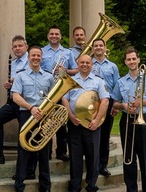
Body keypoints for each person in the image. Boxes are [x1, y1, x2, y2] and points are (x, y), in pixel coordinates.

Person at [113, 48, 146, 192]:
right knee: (128, 160)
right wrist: (122, 105)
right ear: (125, 62)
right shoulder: (121, 81)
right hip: (127, 121)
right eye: (128, 59)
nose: (131, 61)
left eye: (134, 59)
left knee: (144, 160)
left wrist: (142, 102)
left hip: (144, 121)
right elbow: (114, 103)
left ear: (138, 60)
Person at [61, 54, 110, 192]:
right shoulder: (70, 80)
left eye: (87, 62)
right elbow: (64, 99)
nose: (84, 65)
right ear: (78, 64)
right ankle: (75, 186)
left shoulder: (98, 81)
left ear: (91, 64)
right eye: (82, 62)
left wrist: (97, 120)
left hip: (92, 124)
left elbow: (105, 101)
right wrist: (70, 116)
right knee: (75, 156)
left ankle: (91, 185)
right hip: (74, 123)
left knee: (93, 156)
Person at [11, 46, 55, 192]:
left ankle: (45, 186)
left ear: (41, 57)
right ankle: (19, 185)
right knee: (23, 149)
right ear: (28, 57)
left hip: (44, 116)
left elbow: (54, 98)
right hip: (26, 114)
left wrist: (44, 111)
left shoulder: (49, 77)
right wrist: (31, 108)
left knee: (43, 152)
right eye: (33, 55)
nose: (35, 58)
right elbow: (15, 96)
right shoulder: (20, 75)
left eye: (38, 55)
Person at [0, 35, 28, 164]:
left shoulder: (31, 60)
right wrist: (8, 84)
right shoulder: (14, 62)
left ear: (26, 47)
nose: (17, 49)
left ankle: (25, 164)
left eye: (20, 46)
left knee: (24, 131)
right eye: (15, 47)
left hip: (25, 103)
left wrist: (16, 81)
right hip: (13, 102)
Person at [41, 26, 76, 161]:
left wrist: (65, 70)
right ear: (48, 36)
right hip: (48, 92)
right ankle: (47, 151)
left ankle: (61, 151)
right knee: (46, 122)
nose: (54, 36)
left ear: (60, 36)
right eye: (51, 34)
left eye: (57, 34)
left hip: (62, 91)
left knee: (61, 123)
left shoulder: (67, 52)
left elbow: (76, 70)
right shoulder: (42, 51)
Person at [90, 38, 120, 176]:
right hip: (92, 103)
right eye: (96, 46)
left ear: (105, 47)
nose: (98, 48)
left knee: (105, 134)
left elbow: (117, 86)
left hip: (108, 102)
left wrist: (115, 104)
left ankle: (103, 165)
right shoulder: (89, 64)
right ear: (93, 48)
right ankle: (93, 165)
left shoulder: (112, 66)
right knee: (93, 134)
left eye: (100, 45)